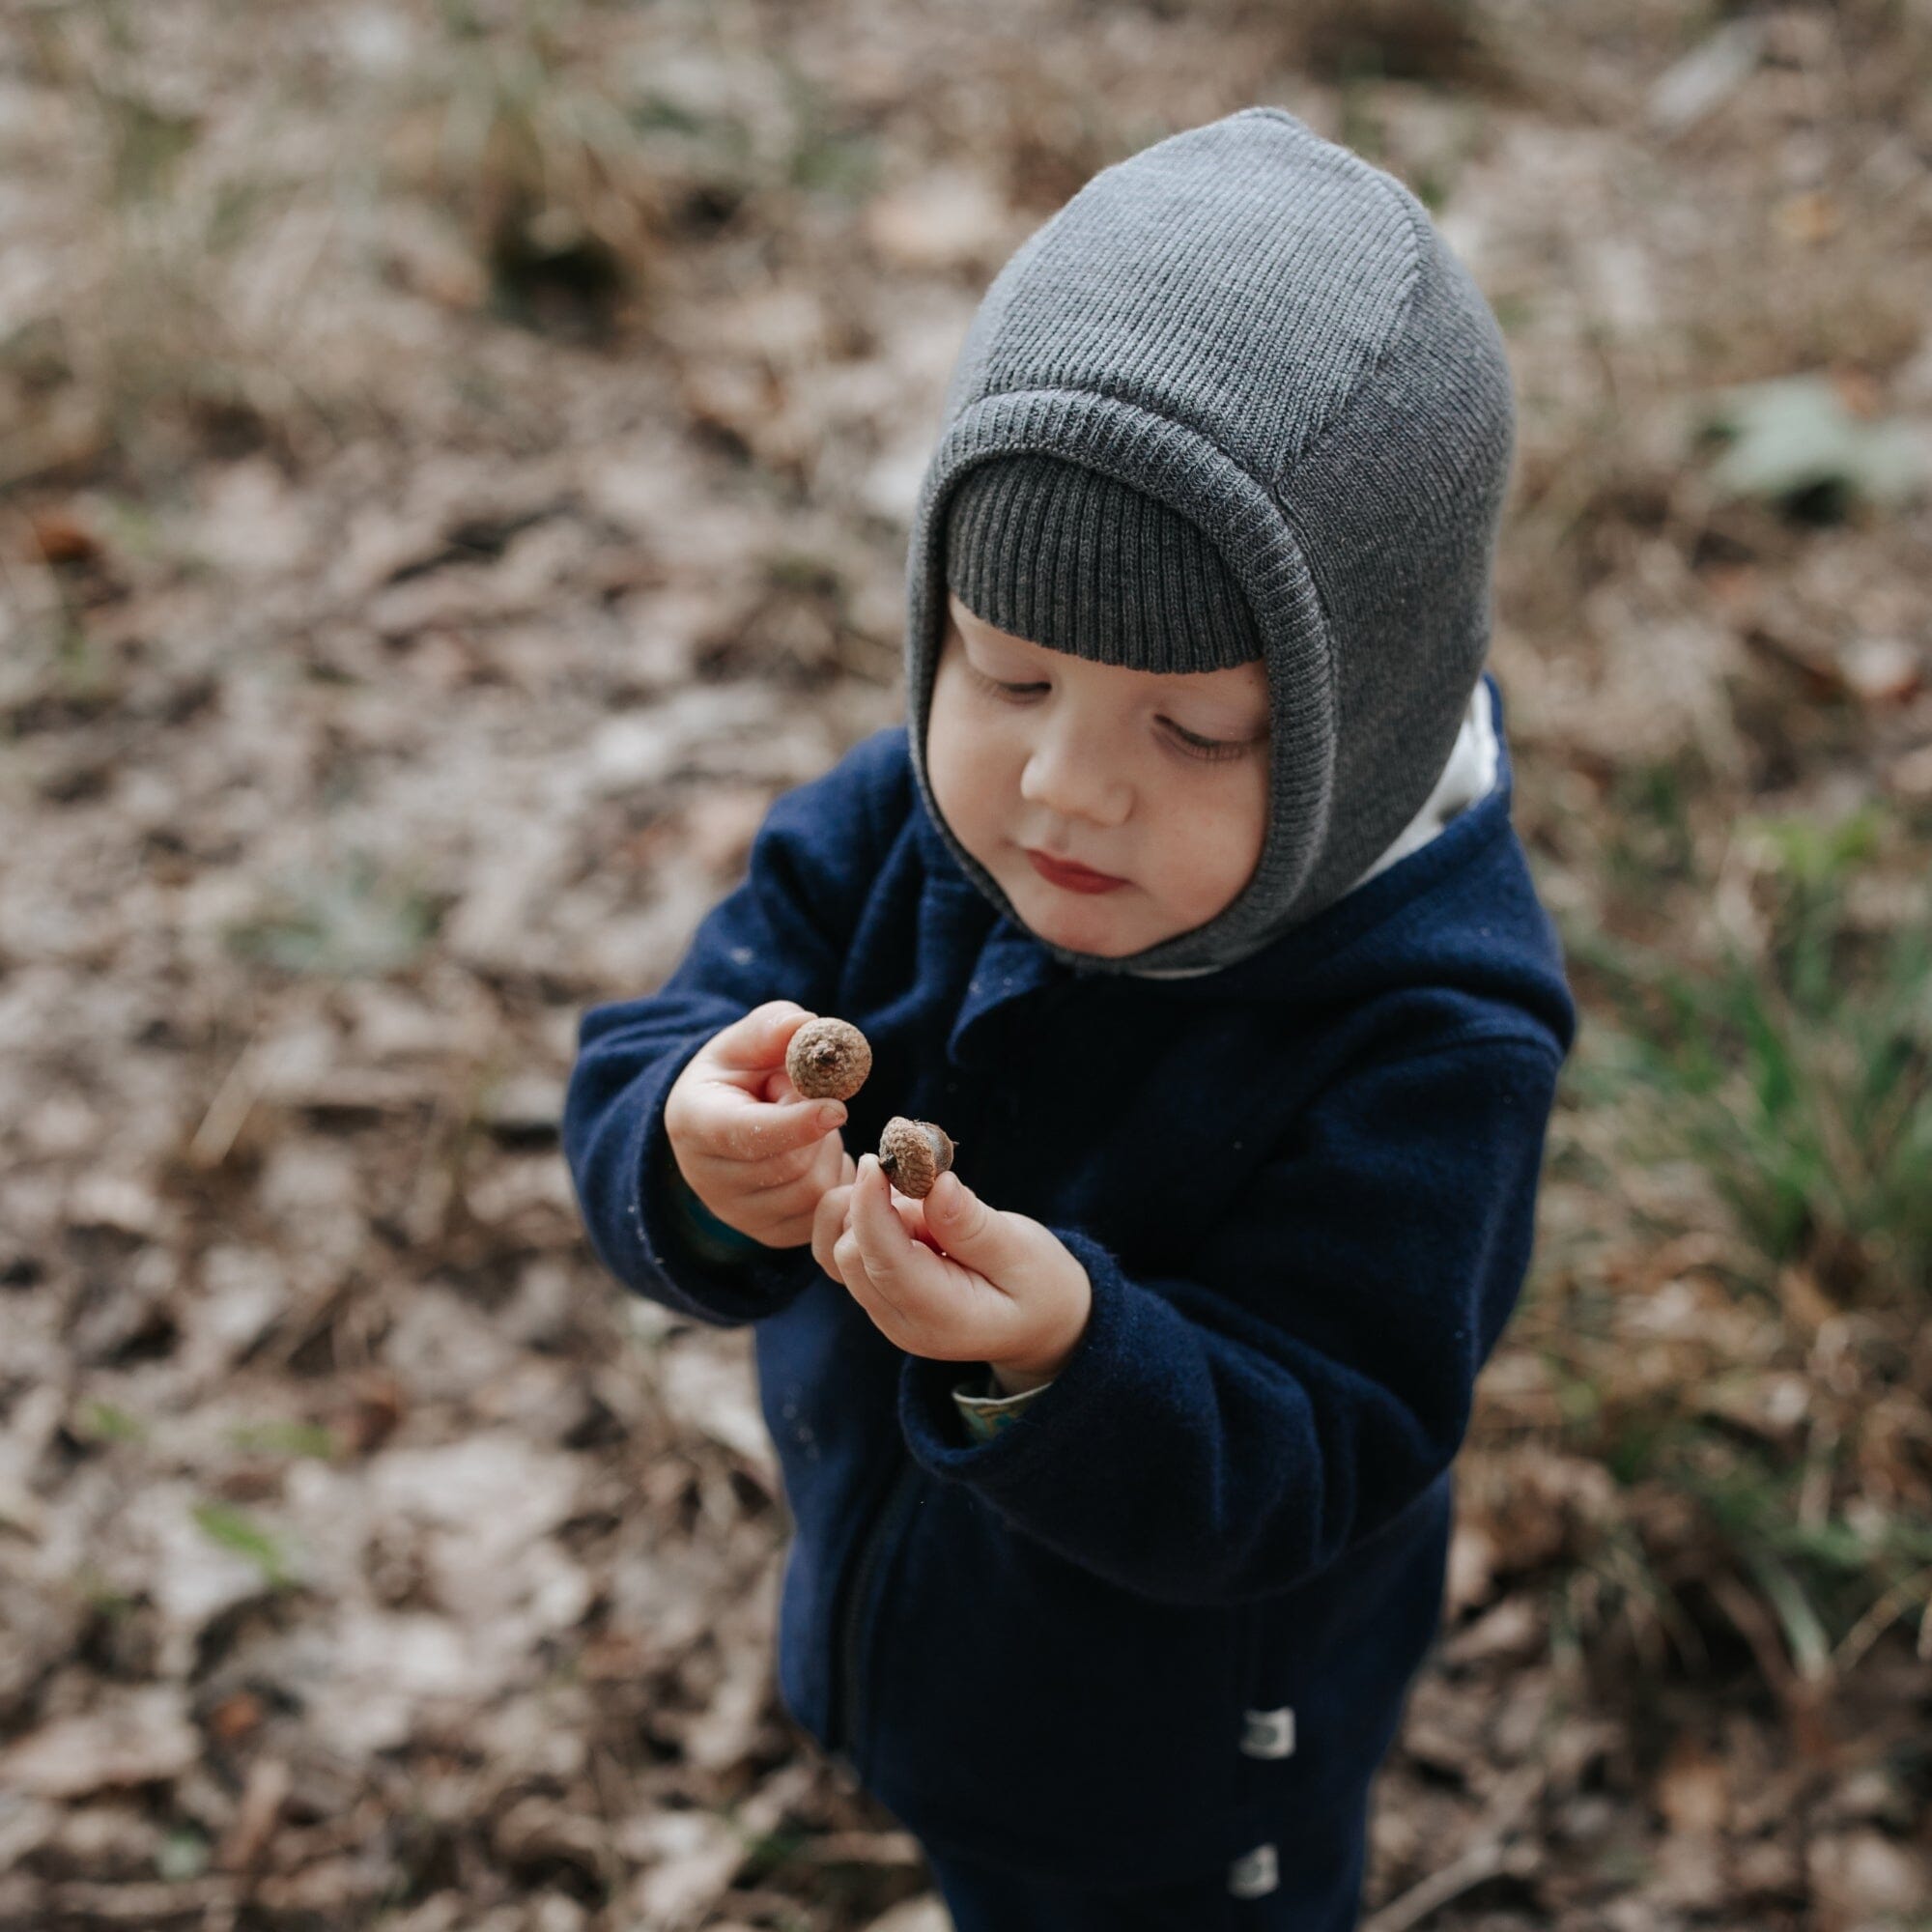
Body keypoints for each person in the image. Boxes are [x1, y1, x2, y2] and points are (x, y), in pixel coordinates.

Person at [562, 105, 1576, 1930]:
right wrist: (693, 1147)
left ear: (1377, 718)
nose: (1062, 788)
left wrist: (1068, 1363)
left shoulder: (1432, 1035)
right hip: (938, 1657)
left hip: (1175, 1792)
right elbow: (651, 1047)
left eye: (1193, 732)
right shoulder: (910, 822)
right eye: (1008, 671)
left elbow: (1327, 1441)